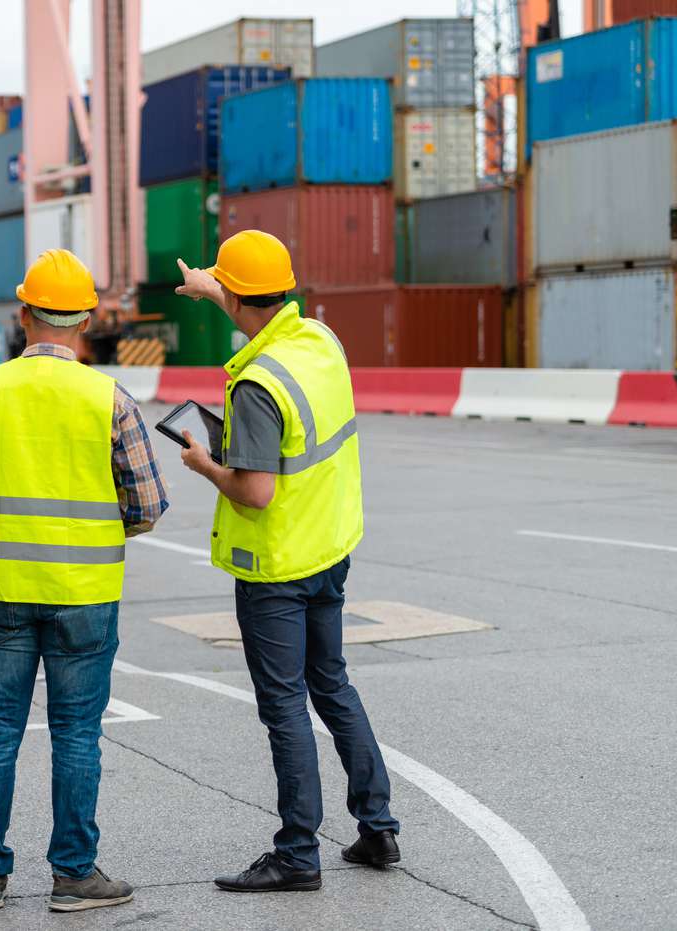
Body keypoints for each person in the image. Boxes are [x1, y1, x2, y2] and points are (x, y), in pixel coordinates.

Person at [0, 249, 168, 913]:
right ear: (86, 320)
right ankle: (73, 874)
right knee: (77, 734)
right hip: (84, 596)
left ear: (24, 314)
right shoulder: (109, 398)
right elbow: (146, 504)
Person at [174, 231, 401, 893]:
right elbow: (258, 315)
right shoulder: (320, 342)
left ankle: (298, 852)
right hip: (331, 547)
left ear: (239, 296)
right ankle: (378, 825)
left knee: (284, 707)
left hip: (278, 566)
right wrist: (215, 288)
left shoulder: (256, 384)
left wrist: (204, 462)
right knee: (332, 685)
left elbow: (255, 490)